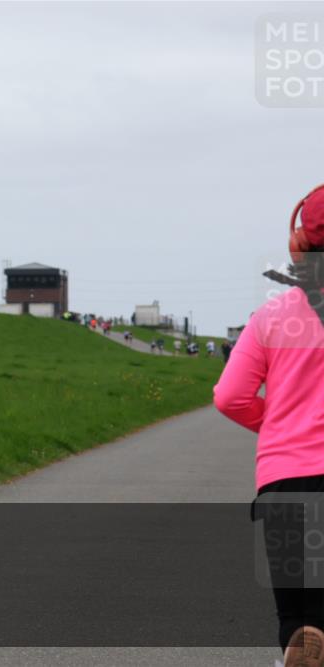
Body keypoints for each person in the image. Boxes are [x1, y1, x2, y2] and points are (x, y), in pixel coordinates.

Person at [214, 184, 324, 666]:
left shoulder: (272, 315)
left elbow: (230, 397)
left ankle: (303, 643)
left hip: (285, 484)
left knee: (296, 614)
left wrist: (280, 427)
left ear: (298, 246)